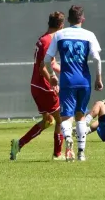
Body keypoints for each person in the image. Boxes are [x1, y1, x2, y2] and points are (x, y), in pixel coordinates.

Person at [43, 5, 103, 161]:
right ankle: (81, 153)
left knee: (66, 117)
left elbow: (47, 59)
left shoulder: (60, 34)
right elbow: (97, 59)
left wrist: (52, 76)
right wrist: (98, 78)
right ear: (82, 19)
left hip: (67, 80)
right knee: (80, 116)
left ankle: (68, 138)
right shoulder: (89, 35)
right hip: (84, 80)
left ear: (68, 19)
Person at [10, 11, 65, 161]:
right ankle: (57, 154)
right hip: (44, 86)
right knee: (61, 119)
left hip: (36, 85)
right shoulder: (49, 41)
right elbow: (43, 68)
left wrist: (66, 71)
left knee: (48, 120)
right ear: (61, 25)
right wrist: (52, 80)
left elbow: (51, 63)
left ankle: (18, 144)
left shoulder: (43, 39)